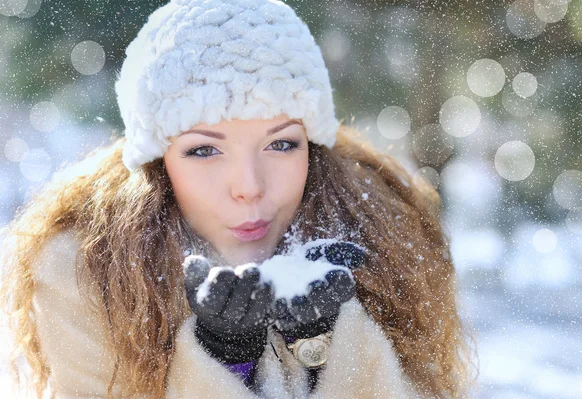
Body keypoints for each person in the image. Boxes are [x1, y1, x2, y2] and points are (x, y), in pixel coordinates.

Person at [0, 0, 477, 398]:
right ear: (157, 159)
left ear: (312, 143)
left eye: (281, 144)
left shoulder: (382, 236)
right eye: (204, 150)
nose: (249, 185)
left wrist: (328, 351)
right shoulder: (85, 268)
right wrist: (225, 366)